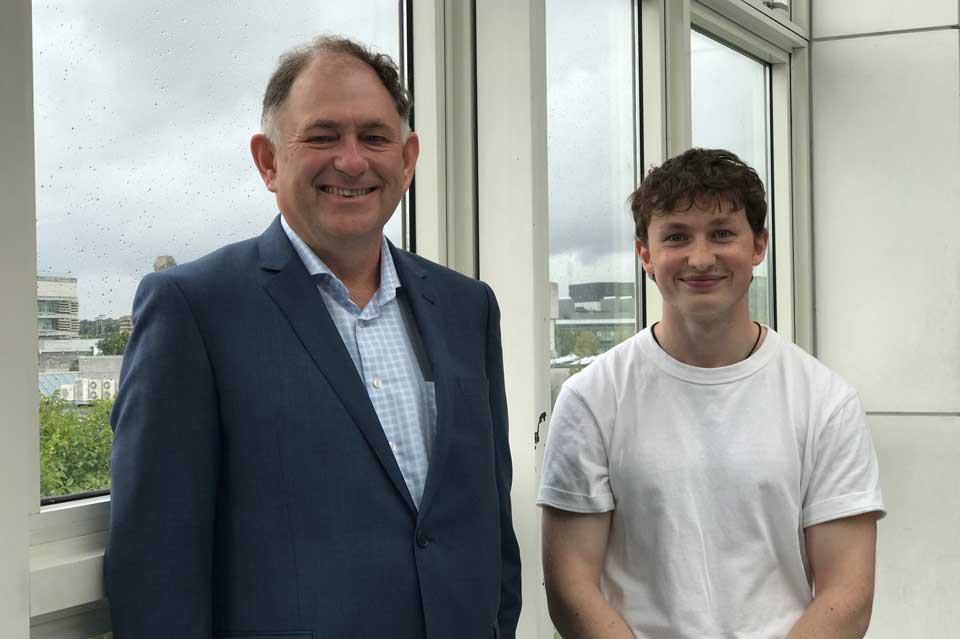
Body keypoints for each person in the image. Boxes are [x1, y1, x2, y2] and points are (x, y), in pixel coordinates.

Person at [106, 36, 521, 639]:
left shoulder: (467, 306)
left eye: (375, 138)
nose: (351, 161)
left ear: (407, 159)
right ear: (268, 161)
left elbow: (489, 513)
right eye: (323, 136)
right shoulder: (194, 309)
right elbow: (154, 562)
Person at [538, 148, 884, 639]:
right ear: (645, 255)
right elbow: (571, 588)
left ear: (758, 245)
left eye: (722, 233)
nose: (701, 258)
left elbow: (847, 595)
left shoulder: (825, 403)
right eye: (676, 236)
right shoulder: (591, 399)